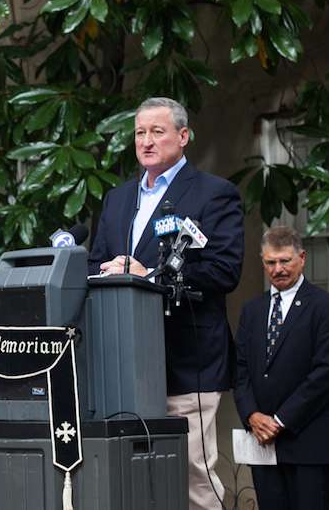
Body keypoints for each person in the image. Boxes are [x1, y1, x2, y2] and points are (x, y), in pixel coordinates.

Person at [87, 96, 244, 510]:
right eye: (140, 133)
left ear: (183, 136)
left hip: (187, 360)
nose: (147, 141)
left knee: (193, 476)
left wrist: (150, 276)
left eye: (157, 131)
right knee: (136, 477)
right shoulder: (118, 199)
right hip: (124, 365)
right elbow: (92, 263)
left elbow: (224, 270)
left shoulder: (214, 194)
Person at [234, 227, 329, 510]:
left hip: (309, 442)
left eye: (285, 261)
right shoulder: (252, 310)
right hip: (262, 443)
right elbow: (241, 369)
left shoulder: (327, 307)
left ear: (302, 258)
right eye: (271, 262)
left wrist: (280, 421)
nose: (278, 269)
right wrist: (251, 415)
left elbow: (325, 373)